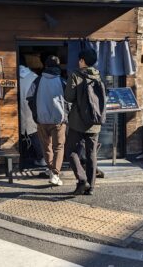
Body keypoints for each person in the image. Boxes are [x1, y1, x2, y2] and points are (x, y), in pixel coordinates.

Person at [64, 49, 106, 196]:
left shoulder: (75, 75)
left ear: (82, 60)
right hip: (95, 122)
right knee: (91, 154)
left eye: (79, 59)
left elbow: (68, 97)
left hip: (77, 121)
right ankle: (91, 187)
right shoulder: (98, 75)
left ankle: (82, 180)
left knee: (71, 151)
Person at [27, 55, 69, 186]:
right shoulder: (63, 81)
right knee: (58, 147)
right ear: (58, 66)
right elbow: (70, 100)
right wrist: (67, 114)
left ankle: (51, 170)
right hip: (59, 120)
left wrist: (36, 114)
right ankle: (55, 173)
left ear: (45, 66)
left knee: (46, 147)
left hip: (42, 120)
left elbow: (29, 98)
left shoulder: (37, 81)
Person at [18, 56, 47, 168]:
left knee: (26, 135)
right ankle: (43, 158)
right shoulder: (35, 77)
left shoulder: (14, 76)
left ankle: (25, 158)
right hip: (33, 110)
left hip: (20, 111)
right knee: (35, 134)